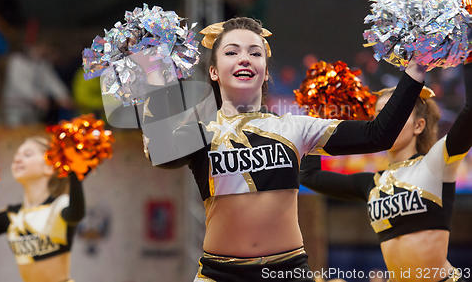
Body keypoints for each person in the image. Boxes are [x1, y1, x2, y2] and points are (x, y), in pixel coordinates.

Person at [131, 17, 426, 282]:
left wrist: (415, 69)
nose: (244, 59)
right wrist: (153, 70)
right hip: (218, 274)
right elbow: (160, 151)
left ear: (266, 73)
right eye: (232, 52)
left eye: (255, 53)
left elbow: (378, 135)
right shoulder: (201, 133)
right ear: (213, 71)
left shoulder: (295, 128)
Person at [300, 60, 472, 282]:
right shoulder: (372, 183)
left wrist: (468, 56)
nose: (388, 120)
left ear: (419, 125)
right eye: (381, 114)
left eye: (396, 112)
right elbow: (310, 176)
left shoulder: (436, 162)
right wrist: (317, 116)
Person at [0, 137, 85, 282]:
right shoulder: (10, 215)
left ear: (49, 167)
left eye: (28, 154)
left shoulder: (58, 206)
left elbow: (76, 214)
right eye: (15, 157)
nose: (18, 160)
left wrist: (75, 170)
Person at [3, 41, 74, 126]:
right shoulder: (17, 61)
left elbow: (51, 81)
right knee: (15, 133)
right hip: (15, 106)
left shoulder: (42, 63)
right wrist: (36, 97)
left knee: (32, 133)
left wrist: (62, 95)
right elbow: (19, 83)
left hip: (33, 109)